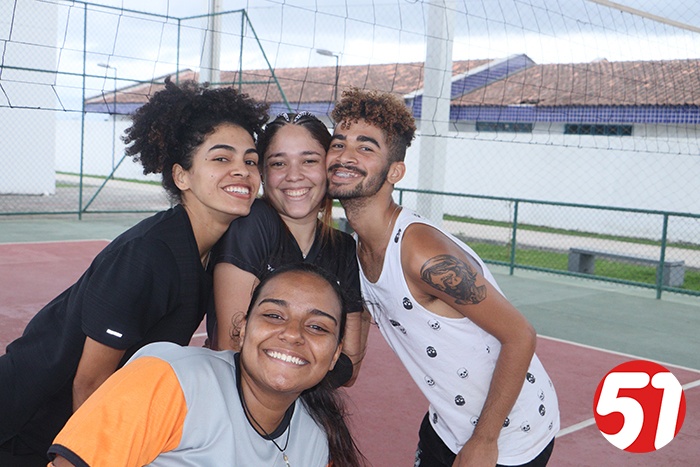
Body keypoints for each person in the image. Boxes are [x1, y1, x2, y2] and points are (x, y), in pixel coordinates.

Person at [0, 78, 268, 466]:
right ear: (182, 177)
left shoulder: (213, 251)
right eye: (221, 159)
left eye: (251, 160)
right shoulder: (148, 255)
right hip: (22, 422)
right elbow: (90, 382)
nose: (241, 170)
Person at [326, 88, 559, 467]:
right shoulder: (357, 251)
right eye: (338, 143)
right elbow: (352, 362)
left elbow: (520, 335)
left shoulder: (422, 253)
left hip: (511, 436)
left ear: (395, 172)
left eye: (365, 147)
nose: (345, 155)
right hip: (447, 424)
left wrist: (484, 441)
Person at [48, 263, 365, 467]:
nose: (293, 334)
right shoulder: (170, 379)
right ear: (242, 329)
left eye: (317, 327)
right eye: (274, 315)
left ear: (335, 355)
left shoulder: (315, 440)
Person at [210, 111, 369, 385]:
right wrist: (313, 355)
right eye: (279, 163)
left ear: (328, 168)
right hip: (237, 397)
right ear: (263, 173)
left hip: (304, 406)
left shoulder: (343, 248)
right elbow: (232, 346)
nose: (294, 176)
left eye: (309, 161)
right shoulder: (254, 224)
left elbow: (349, 369)